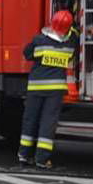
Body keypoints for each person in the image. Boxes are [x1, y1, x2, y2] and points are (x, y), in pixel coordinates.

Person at [18, 10, 77, 170]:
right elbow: (73, 38)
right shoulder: (70, 43)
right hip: (55, 90)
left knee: (30, 120)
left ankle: (24, 155)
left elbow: (27, 54)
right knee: (47, 124)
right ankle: (42, 160)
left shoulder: (39, 40)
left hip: (35, 87)